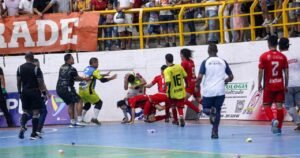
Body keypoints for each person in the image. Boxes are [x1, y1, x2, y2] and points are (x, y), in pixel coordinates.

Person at [196, 44, 234, 139]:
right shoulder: (223, 61)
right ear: (217, 51)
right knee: (218, 111)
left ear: (208, 51)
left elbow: (200, 77)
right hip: (220, 91)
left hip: (209, 91)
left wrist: (197, 86)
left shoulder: (205, 62)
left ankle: (210, 111)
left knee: (205, 109)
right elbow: (231, 77)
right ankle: (215, 132)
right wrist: (226, 80)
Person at [258, 35, 289, 135]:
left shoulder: (263, 56)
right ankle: (278, 129)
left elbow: (260, 72)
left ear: (268, 44)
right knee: (279, 106)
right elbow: (286, 73)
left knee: (266, 105)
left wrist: (259, 83)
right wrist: (286, 85)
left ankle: (272, 120)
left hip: (269, 85)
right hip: (280, 84)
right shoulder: (283, 56)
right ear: (277, 44)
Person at [17, 53, 48, 140]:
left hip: (24, 92)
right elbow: (40, 82)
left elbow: (18, 81)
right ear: (33, 58)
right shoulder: (36, 68)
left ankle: (23, 125)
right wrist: (44, 92)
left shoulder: (19, 68)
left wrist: (19, 92)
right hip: (34, 91)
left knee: (26, 112)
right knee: (35, 113)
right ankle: (33, 134)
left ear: (25, 58)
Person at [80, 57, 117, 125]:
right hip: (88, 90)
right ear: (93, 63)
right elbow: (102, 80)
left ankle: (81, 120)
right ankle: (94, 118)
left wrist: (105, 74)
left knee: (87, 105)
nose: (98, 64)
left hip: (81, 90)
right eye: (97, 62)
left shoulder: (87, 68)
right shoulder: (95, 70)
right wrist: (111, 78)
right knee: (99, 103)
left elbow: (94, 76)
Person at [56, 54, 89, 128]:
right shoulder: (72, 68)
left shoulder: (61, 67)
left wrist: (82, 79)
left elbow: (73, 78)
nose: (73, 60)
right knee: (79, 100)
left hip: (59, 89)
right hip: (67, 87)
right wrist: (85, 79)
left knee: (71, 103)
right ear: (68, 59)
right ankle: (80, 120)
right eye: (72, 58)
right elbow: (77, 77)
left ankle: (72, 122)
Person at [279, 37, 300, 130]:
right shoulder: (296, 55)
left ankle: (299, 123)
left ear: (279, 46)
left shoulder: (280, 57)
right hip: (298, 83)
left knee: (289, 106)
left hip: (287, 84)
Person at [164, 54, 187, 127]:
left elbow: (168, 82)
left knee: (173, 106)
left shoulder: (167, 70)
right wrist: (187, 85)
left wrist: (165, 88)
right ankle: (181, 116)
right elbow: (185, 76)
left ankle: (176, 120)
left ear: (166, 60)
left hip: (172, 92)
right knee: (180, 107)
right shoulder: (179, 67)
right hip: (180, 90)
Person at [180, 48, 202, 118]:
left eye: (180, 54)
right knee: (199, 99)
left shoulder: (184, 63)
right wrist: (196, 84)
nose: (180, 56)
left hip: (189, 85)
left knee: (183, 100)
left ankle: (198, 111)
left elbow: (181, 74)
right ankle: (211, 108)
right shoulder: (191, 61)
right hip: (195, 83)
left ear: (182, 55)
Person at [33, 59, 50, 134]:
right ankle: (38, 129)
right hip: (37, 94)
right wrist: (45, 92)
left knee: (36, 112)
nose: (38, 66)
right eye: (36, 65)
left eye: (38, 64)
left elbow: (43, 83)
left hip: (29, 94)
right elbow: (41, 84)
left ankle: (24, 123)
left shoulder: (33, 71)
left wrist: (47, 92)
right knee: (43, 111)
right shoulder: (37, 72)